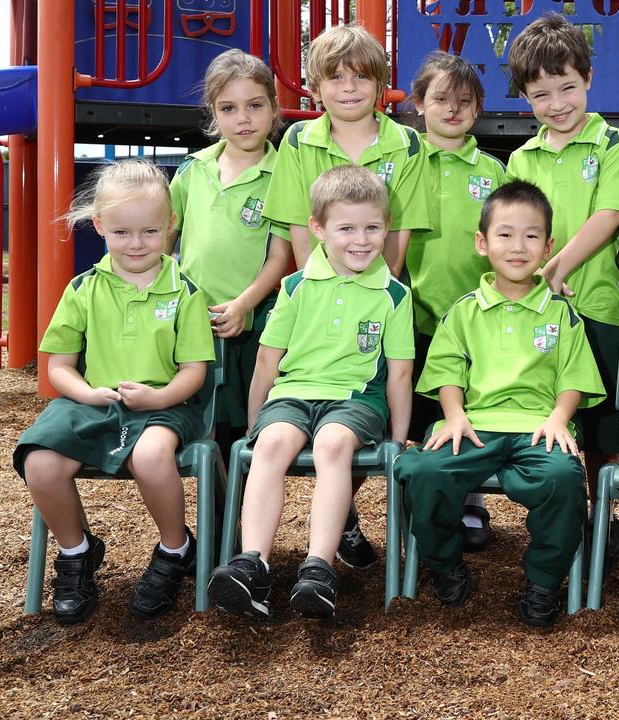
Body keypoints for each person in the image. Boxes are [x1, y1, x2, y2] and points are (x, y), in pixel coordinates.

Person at [394, 181, 606, 628]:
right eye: (505, 234)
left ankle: (545, 581)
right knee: (421, 470)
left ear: (549, 246)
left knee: (565, 478)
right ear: (482, 242)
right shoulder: (464, 311)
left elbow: (573, 378)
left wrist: (558, 418)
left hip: (539, 426)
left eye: (532, 236)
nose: (518, 247)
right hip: (474, 424)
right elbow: (448, 372)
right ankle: (445, 564)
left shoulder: (562, 313)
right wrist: (453, 414)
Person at [208, 165, 414, 620]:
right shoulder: (294, 286)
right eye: (346, 228)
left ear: (386, 228)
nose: (361, 239)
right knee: (273, 443)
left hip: (354, 400)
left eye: (373, 228)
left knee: (332, 443)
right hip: (292, 393)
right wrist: (253, 421)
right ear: (318, 229)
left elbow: (400, 373)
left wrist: (397, 439)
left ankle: (318, 567)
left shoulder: (394, 295)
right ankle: (252, 563)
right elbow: (268, 360)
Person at [14, 159, 215, 624]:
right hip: (93, 403)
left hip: (165, 407)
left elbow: (193, 372)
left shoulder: (184, 292)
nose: (137, 244)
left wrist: (158, 399)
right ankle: (77, 550)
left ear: (170, 226)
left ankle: (174, 548)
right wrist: (84, 393)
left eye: (149, 231)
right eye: (122, 232)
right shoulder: (83, 288)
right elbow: (59, 368)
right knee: (40, 462)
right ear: (100, 226)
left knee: (148, 457)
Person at [262, 24, 432, 566]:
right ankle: (341, 526)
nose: (350, 87)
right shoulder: (296, 140)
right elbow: (295, 224)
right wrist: (316, 283)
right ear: (315, 86)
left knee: (358, 410)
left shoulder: (406, 143)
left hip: (374, 300)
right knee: (309, 411)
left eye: (362, 76)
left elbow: (398, 232)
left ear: (381, 83)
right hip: (317, 295)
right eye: (335, 78)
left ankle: (341, 523)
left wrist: (368, 286)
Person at [504, 14, 619, 546]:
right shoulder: (521, 157)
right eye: (541, 95)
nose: (557, 103)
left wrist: (556, 267)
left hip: (596, 305)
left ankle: (602, 516)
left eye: (567, 87)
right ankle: (557, 516)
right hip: (538, 311)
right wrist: (538, 275)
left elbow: (608, 217)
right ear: (526, 98)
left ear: (588, 78)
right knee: (549, 415)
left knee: (602, 423)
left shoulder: (612, 145)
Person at [404, 51, 507, 550]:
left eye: (464, 102)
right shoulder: (403, 163)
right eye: (440, 99)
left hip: (475, 317)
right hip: (417, 312)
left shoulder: (492, 169)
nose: (451, 109)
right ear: (419, 102)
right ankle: (420, 504)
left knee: (471, 409)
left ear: (478, 109)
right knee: (425, 412)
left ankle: (471, 502)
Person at [169, 49, 291, 463]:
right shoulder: (192, 170)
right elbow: (166, 239)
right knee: (202, 425)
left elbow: (279, 256)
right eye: (229, 108)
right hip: (194, 319)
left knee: (241, 427)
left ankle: (235, 519)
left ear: (274, 109)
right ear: (213, 114)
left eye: (255, 105)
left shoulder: (283, 174)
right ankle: (216, 520)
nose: (244, 118)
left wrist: (243, 304)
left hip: (249, 319)